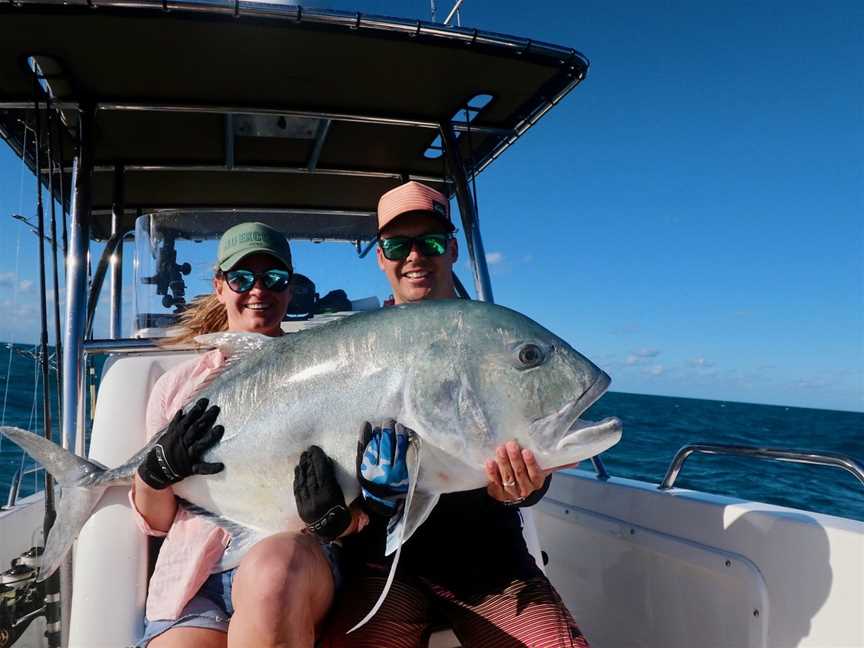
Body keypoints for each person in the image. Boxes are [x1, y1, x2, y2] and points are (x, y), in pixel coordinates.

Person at [312, 182, 590, 647]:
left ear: (453, 250)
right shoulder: (352, 348)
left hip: (492, 570)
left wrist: (524, 489)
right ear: (380, 257)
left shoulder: (489, 337)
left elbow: (528, 445)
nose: (415, 256)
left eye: (431, 242)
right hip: (387, 571)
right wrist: (351, 507)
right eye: (398, 245)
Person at [133, 222, 355, 648]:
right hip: (194, 576)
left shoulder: (330, 376)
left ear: (289, 289)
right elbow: (157, 522)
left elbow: (359, 505)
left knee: (274, 576)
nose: (259, 290)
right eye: (241, 278)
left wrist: (333, 520)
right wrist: (155, 473)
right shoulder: (177, 388)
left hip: (292, 557)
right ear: (220, 286)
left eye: (274, 279)